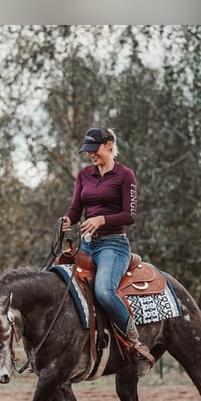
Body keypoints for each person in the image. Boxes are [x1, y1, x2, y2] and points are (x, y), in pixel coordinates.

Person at [62, 126, 154, 375]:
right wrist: (67, 220)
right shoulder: (84, 175)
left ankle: (135, 344)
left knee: (104, 291)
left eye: (95, 150)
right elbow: (75, 208)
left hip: (114, 245)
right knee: (59, 283)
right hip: (87, 245)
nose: (91, 155)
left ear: (109, 145)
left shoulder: (126, 175)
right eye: (88, 151)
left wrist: (101, 220)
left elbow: (130, 215)